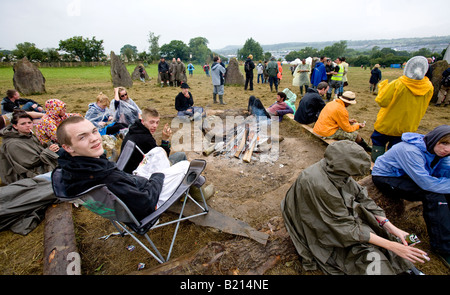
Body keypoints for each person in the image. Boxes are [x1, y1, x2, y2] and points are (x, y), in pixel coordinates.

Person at [281, 140, 429, 275]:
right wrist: (392, 246)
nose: (352, 177)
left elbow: (361, 196)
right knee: (360, 252)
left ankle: (406, 268)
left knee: (378, 231)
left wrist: (390, 227)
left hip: (334, 215)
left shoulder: (335, 167)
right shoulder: (319, 183)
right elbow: (343, 229)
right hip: (317, 221)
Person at [56, 116, 190, 221]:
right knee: (186, 165)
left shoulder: (75, 169)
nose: (94, 139)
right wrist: (157, 176)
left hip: (134, 186)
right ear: (68, 147)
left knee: (157, 152)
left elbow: (123, 184)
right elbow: (146, 202)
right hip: (150, 202)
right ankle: (190, 193)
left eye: (94, 131)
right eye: (82, 137)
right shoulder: (105, 177)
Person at [371, 125, 450, 268]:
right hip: (386, 177)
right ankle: (443, 246)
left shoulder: (441, 153)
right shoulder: (410, 150)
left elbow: (443, 173)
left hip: (409, 175)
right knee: (433, 195)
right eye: (444, 143)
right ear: (434, 140)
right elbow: (427, 184)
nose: (447, 149)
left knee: (443, 190)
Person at [370, 56, 434, 162]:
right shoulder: (429, 87)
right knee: (396, 148)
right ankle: (389, 166)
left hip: (388, 123)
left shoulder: (398, 83)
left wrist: (382, 87)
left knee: (378, 141)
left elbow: (382, 101)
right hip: (408, 126)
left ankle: (377, 164)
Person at [119, 107, 186, 174]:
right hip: (140, 176)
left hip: (126, 171)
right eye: (152, 122)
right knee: (181, 155)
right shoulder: (146, 138)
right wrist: (165, 140)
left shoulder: (133, 130)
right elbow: (162, 159)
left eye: (157, 122)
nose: (155, 126)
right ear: (143, 121)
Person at [0, 110, 59, 184]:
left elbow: (38, 149)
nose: (28, 125)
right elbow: (31, 162)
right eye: (23, 124)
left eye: (29, 123)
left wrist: (50, 146)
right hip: (29, 174)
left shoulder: (27, 134)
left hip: (40, 164)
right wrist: (49, 151)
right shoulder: (13, 143)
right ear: (15, 126)